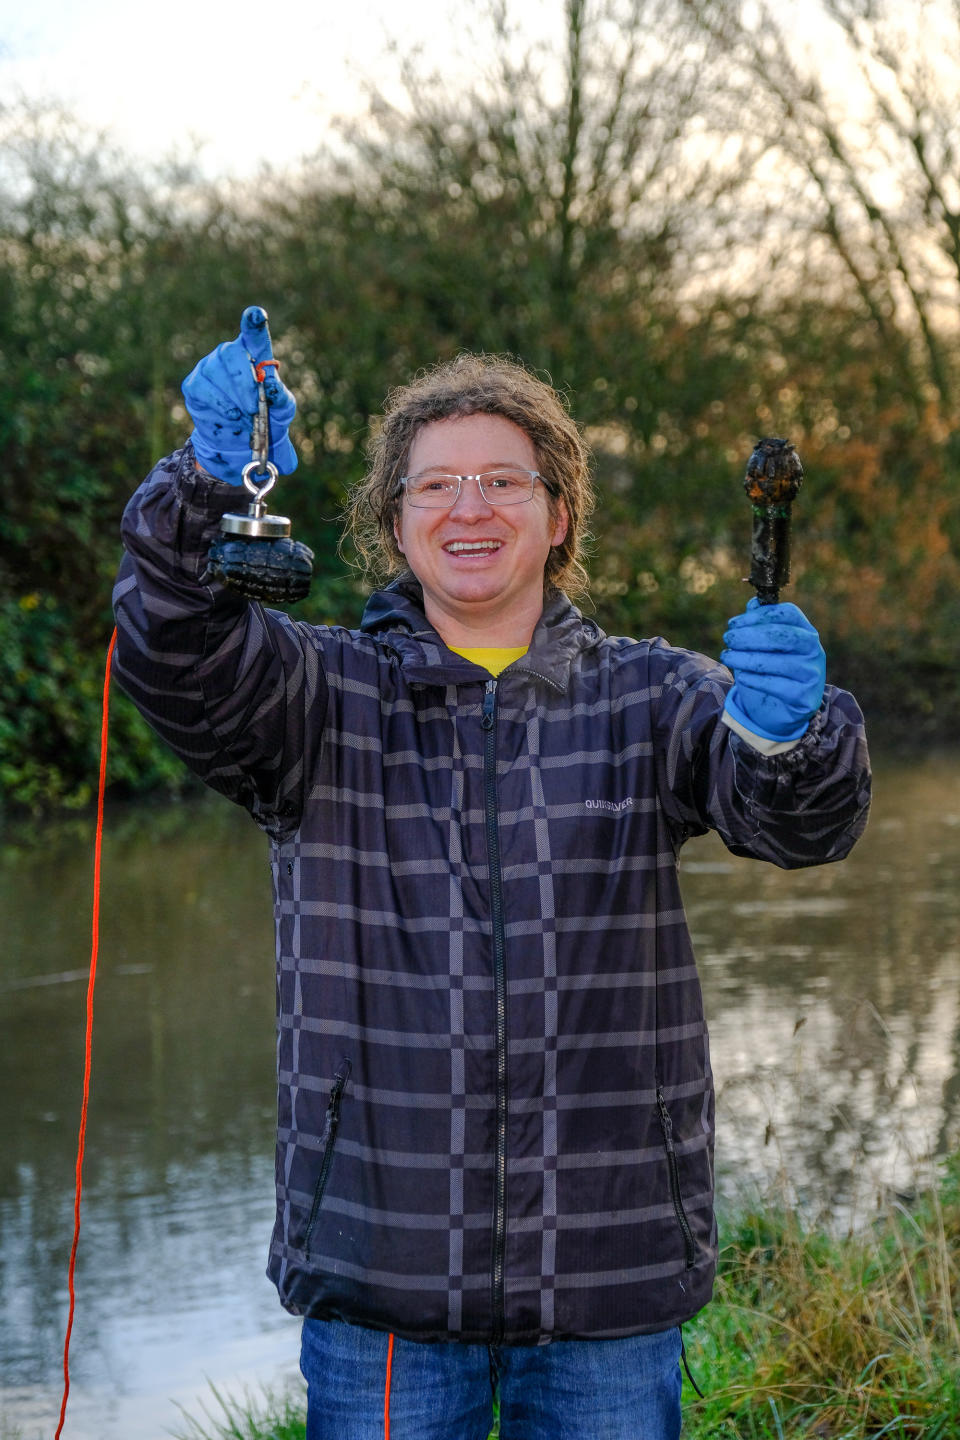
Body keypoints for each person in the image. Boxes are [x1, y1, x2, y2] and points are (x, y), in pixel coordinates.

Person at [112, 307, 871, 1440]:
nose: (470, 508)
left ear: (558, 515)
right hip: (382, 1280)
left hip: (610, 1280)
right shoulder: (318, 699)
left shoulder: (655, 696)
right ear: (393, 521)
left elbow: (802, 825)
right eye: (435, 487)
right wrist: (206, 487)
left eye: (504, 483)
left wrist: (792, 734)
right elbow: (174, 650)